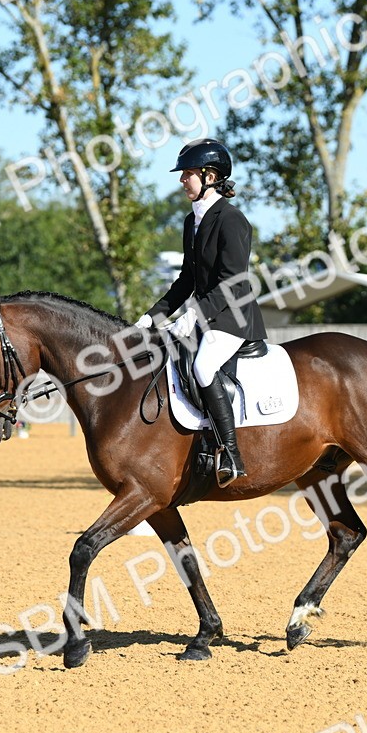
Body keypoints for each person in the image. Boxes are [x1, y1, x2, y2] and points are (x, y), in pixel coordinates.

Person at [135, 138, 267, 487]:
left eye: (188, 174)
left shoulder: (232, 220)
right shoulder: (190, 221)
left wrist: (193, 317)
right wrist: (152, 317)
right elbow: (186, 280)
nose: (182, 181)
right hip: (204, 314)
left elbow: (233, 282)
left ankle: (231, 455)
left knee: (203, 366)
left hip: (232, 317)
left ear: (210, 176)